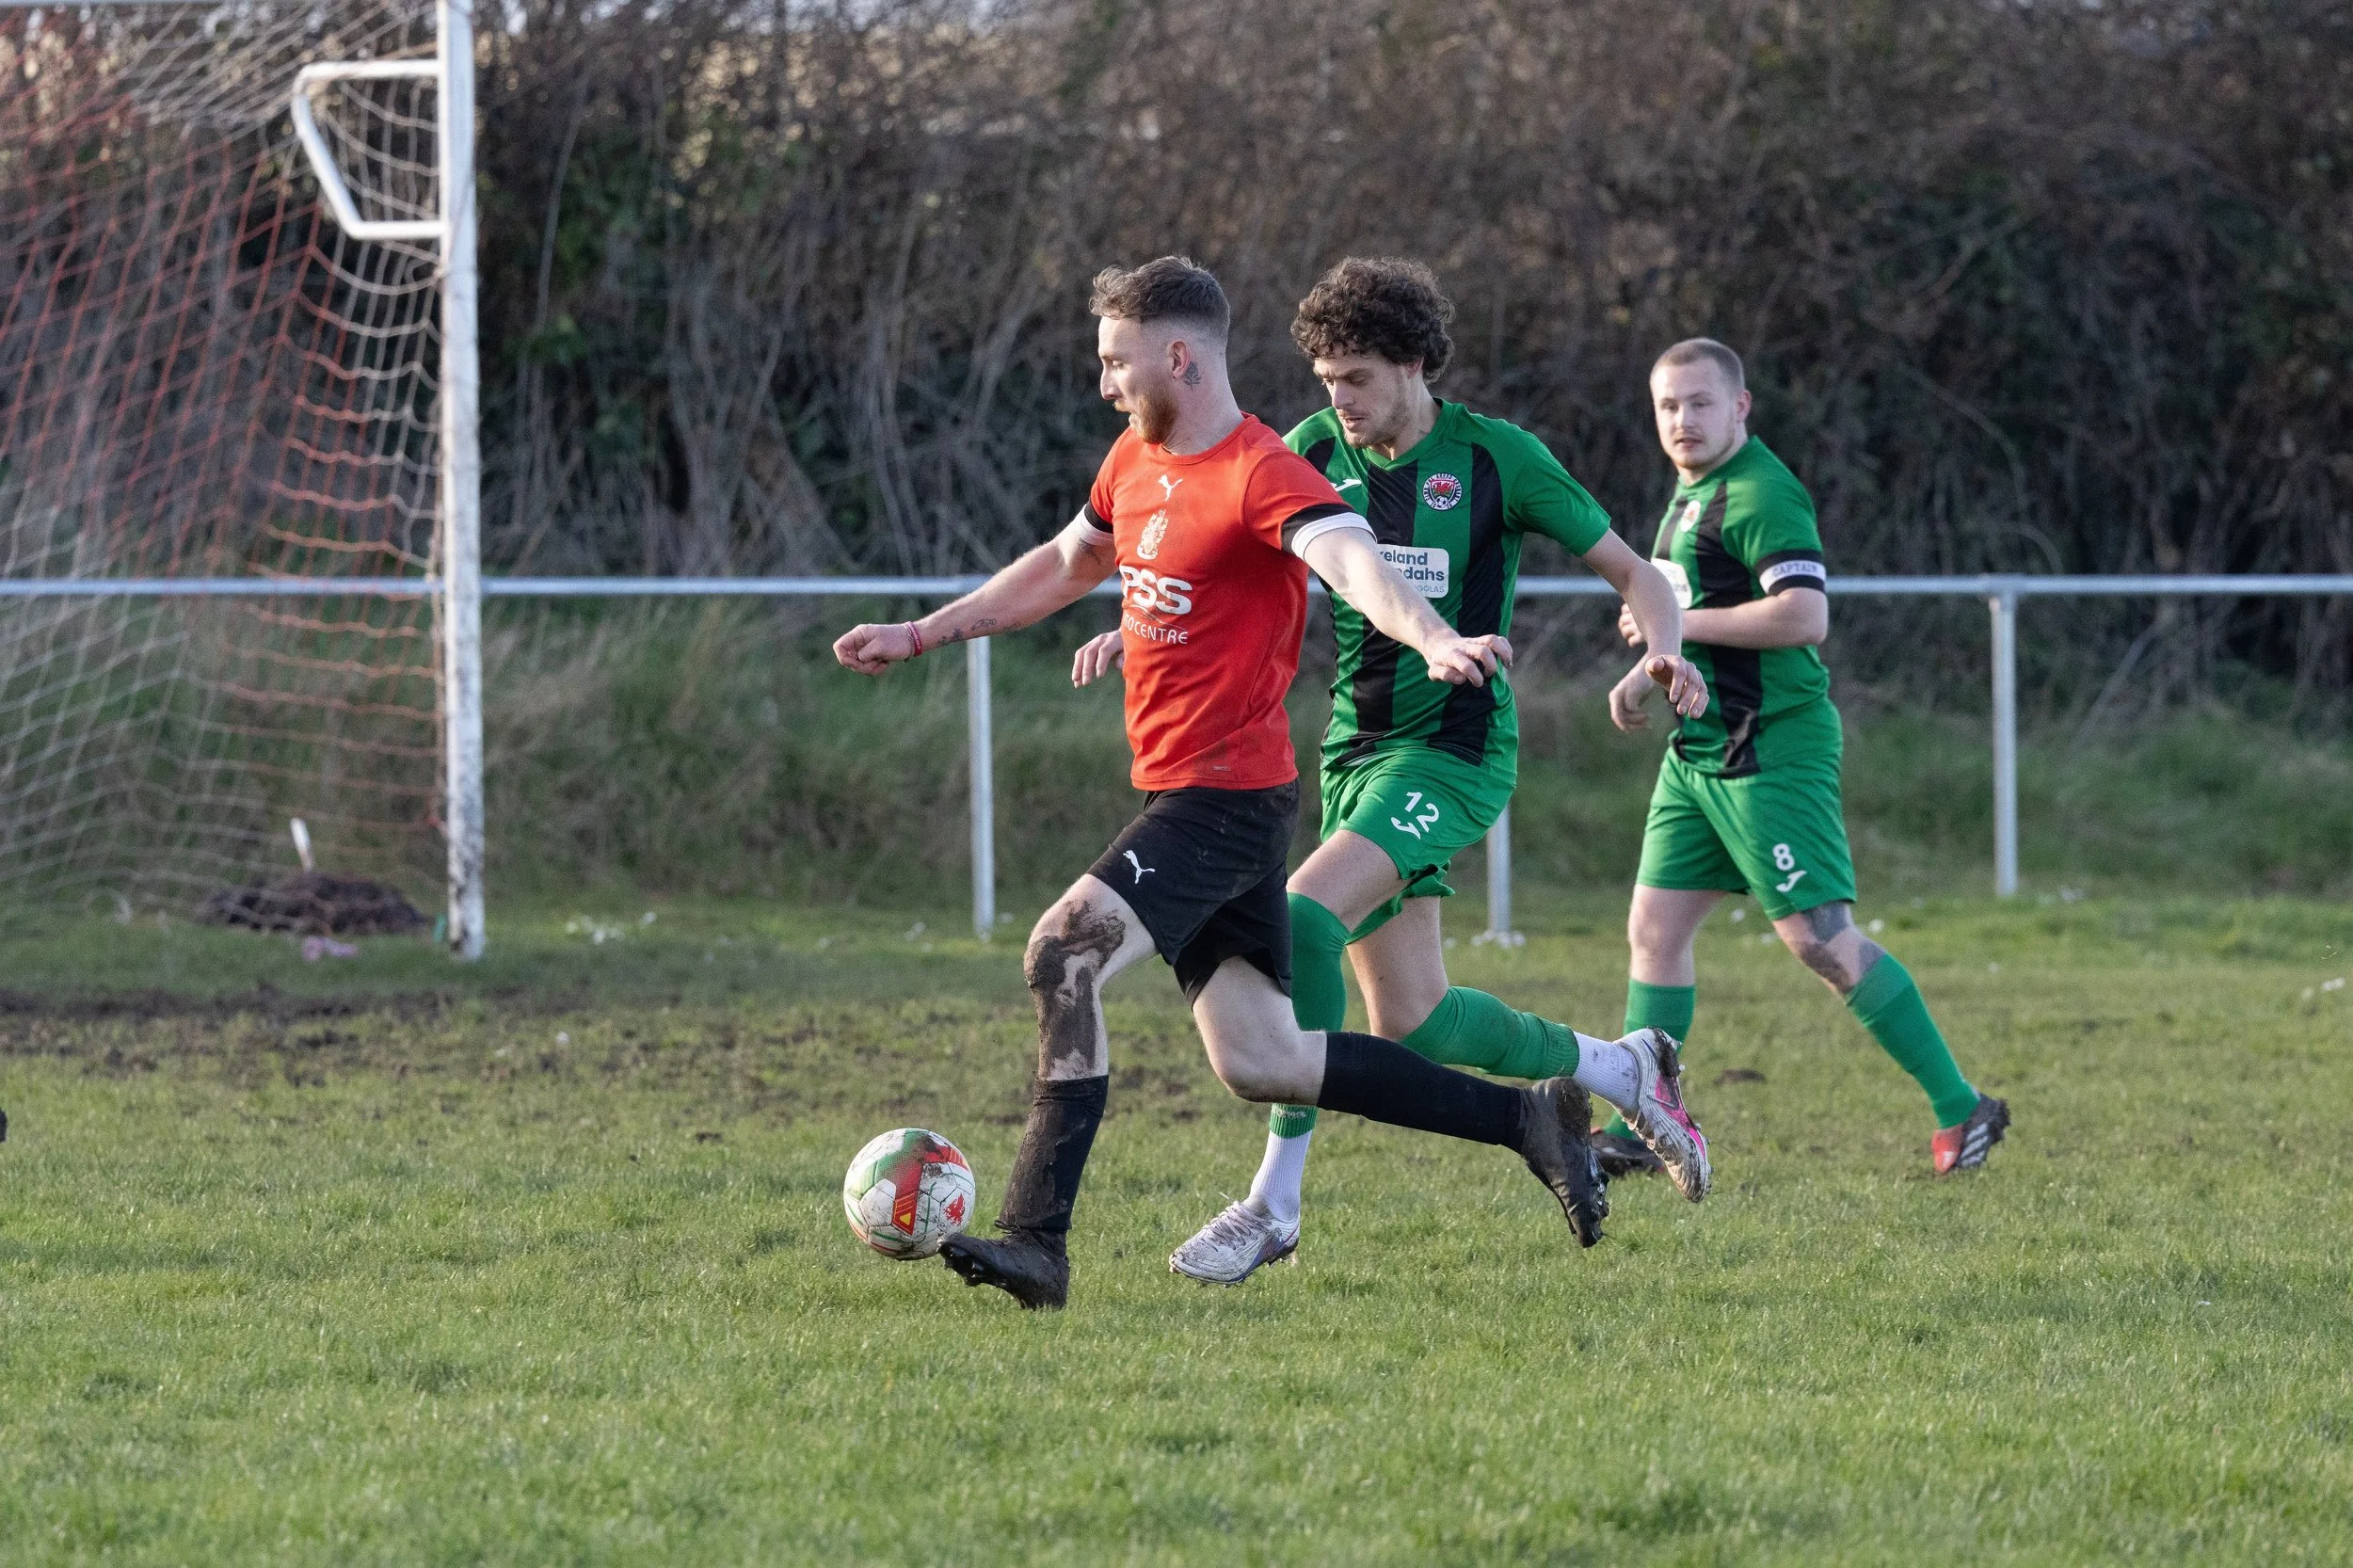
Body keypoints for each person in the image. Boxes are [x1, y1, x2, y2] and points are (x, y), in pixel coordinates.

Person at [833, 257, 1606, 1310]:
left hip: (1225, 802)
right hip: (1180, 795)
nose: (1105, 382)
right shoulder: (1136, 461)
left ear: (1178, 356)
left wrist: (1428, 634)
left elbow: (1352, 559)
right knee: (1265, 1059)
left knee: (1064, 949)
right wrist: (923, 630)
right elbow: (1064, 564)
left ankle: (1036, 1238)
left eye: (1116, 360)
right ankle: (1527, 1123)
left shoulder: (1262, 472)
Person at [1077, 258, 1713, 1287]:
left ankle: (1272, 1205)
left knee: (1304, 918)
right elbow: (1208, 538)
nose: (1337, 403)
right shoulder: (1314, 449)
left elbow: (1637, 572)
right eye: (1326, 380)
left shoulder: (1499, 459)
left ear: (1415, 365)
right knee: (1414, 1018)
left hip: (1453, 752)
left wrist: (1663, 647)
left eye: (1357, 379)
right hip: (1354, 751)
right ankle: (1623, 1068)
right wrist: (1132, 621)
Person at [1599, 337, 2010, 1179]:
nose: (1684, 420)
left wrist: (1675, 631)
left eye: (1701, 403)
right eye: (1669, 406)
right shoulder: (1688, 496)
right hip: (1699, 752)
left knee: (1822, 941)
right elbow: (1686, 611)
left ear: (1741, 406)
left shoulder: (1760, 493)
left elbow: (1802, 616)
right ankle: (1643, 1123)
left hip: (1771, 748)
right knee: (1655, 931)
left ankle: (1961, 1108)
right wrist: (1649, 670)